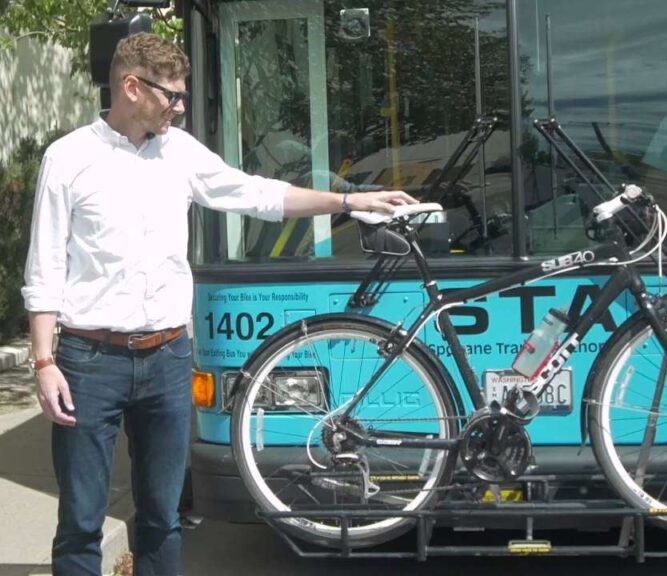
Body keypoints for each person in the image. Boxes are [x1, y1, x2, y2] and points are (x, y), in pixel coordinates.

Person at [21, 32, 414, 576]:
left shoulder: (178, 152)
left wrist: (349, 200)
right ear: (132, 88)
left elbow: (258, 194)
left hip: (167, 358)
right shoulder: (68, 159)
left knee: (163, 515)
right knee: (81, 521)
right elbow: (44, 271)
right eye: (172, 96)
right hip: (89, 363)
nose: (179, 107)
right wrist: (44, 363)